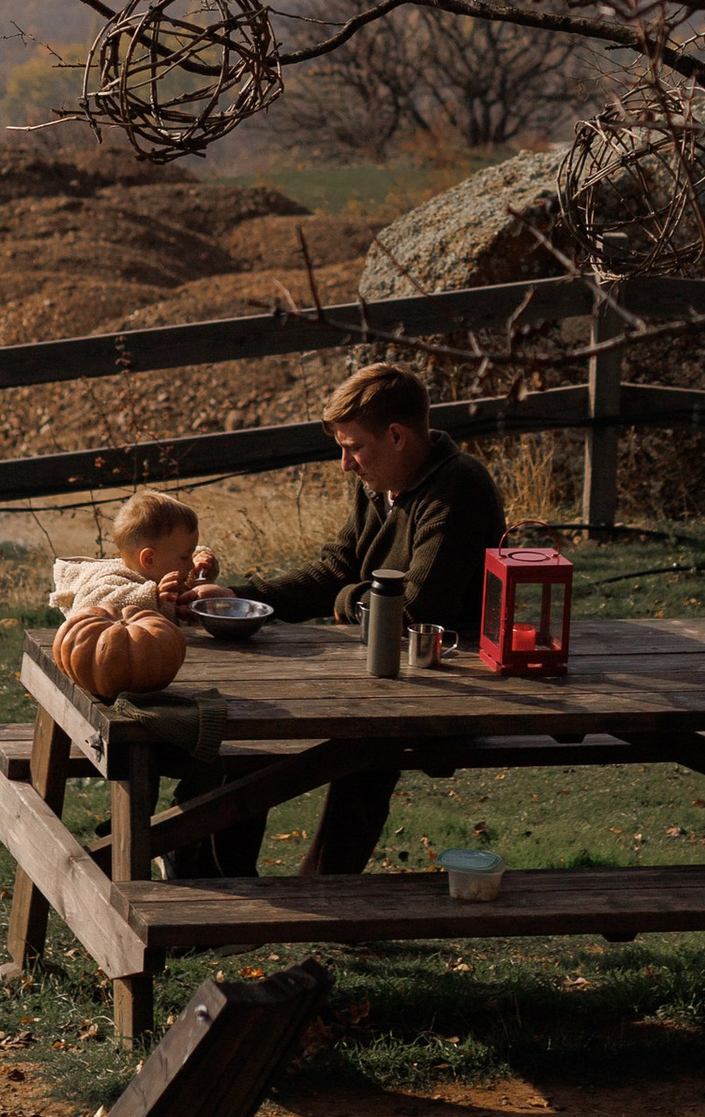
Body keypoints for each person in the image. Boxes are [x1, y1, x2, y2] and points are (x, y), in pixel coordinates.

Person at [154, 362, 508, 877]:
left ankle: (308, 893)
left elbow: (412, 608)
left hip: (448, 685)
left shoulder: (457, 489)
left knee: (353, 751)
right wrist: (239, 596)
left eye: (354, 447)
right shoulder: (380, 482)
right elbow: (336, 569)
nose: (345, 464)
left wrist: (344, 598)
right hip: (378, 668)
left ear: (396, 435)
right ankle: (212, 872)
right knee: (251, 727)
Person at [48, 487, 212, 629]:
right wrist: (152, 597)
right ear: (149, 559)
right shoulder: (110, 579)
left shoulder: (160, 575)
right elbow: (90, 608)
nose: (190, 565)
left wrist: (200, 570)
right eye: (185, 557)